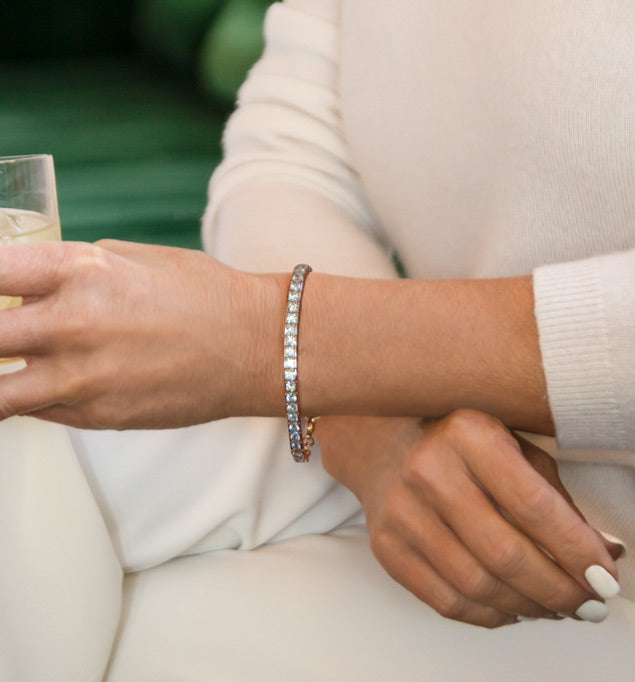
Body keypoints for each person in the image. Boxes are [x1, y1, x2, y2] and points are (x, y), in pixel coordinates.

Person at [0, 0, 634, 673]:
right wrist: (368, 417)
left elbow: (281, 330)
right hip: (447, 478)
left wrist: (275, 338)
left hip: (585, 541)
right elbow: (282, 159)